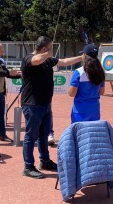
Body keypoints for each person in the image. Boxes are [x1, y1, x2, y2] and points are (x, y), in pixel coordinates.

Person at [20, 36, 81, 179]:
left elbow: (65, 62)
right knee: (31, 136)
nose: (53, 51)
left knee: (44, 135)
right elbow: (35, 60)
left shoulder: (48, 60)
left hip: (46, 104)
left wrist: (82, 57)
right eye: (51, 48)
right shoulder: (29, 59)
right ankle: (28, 167)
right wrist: (47, 54)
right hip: (32, 105)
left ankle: (45, 161)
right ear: (44, 49)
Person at [68, 43, 105, 123]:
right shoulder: (100, 71)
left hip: (80, 111)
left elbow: (71, 93)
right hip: (95, 110)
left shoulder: (78, 72)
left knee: (79, 134)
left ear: (84, 55)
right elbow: (102, 92)